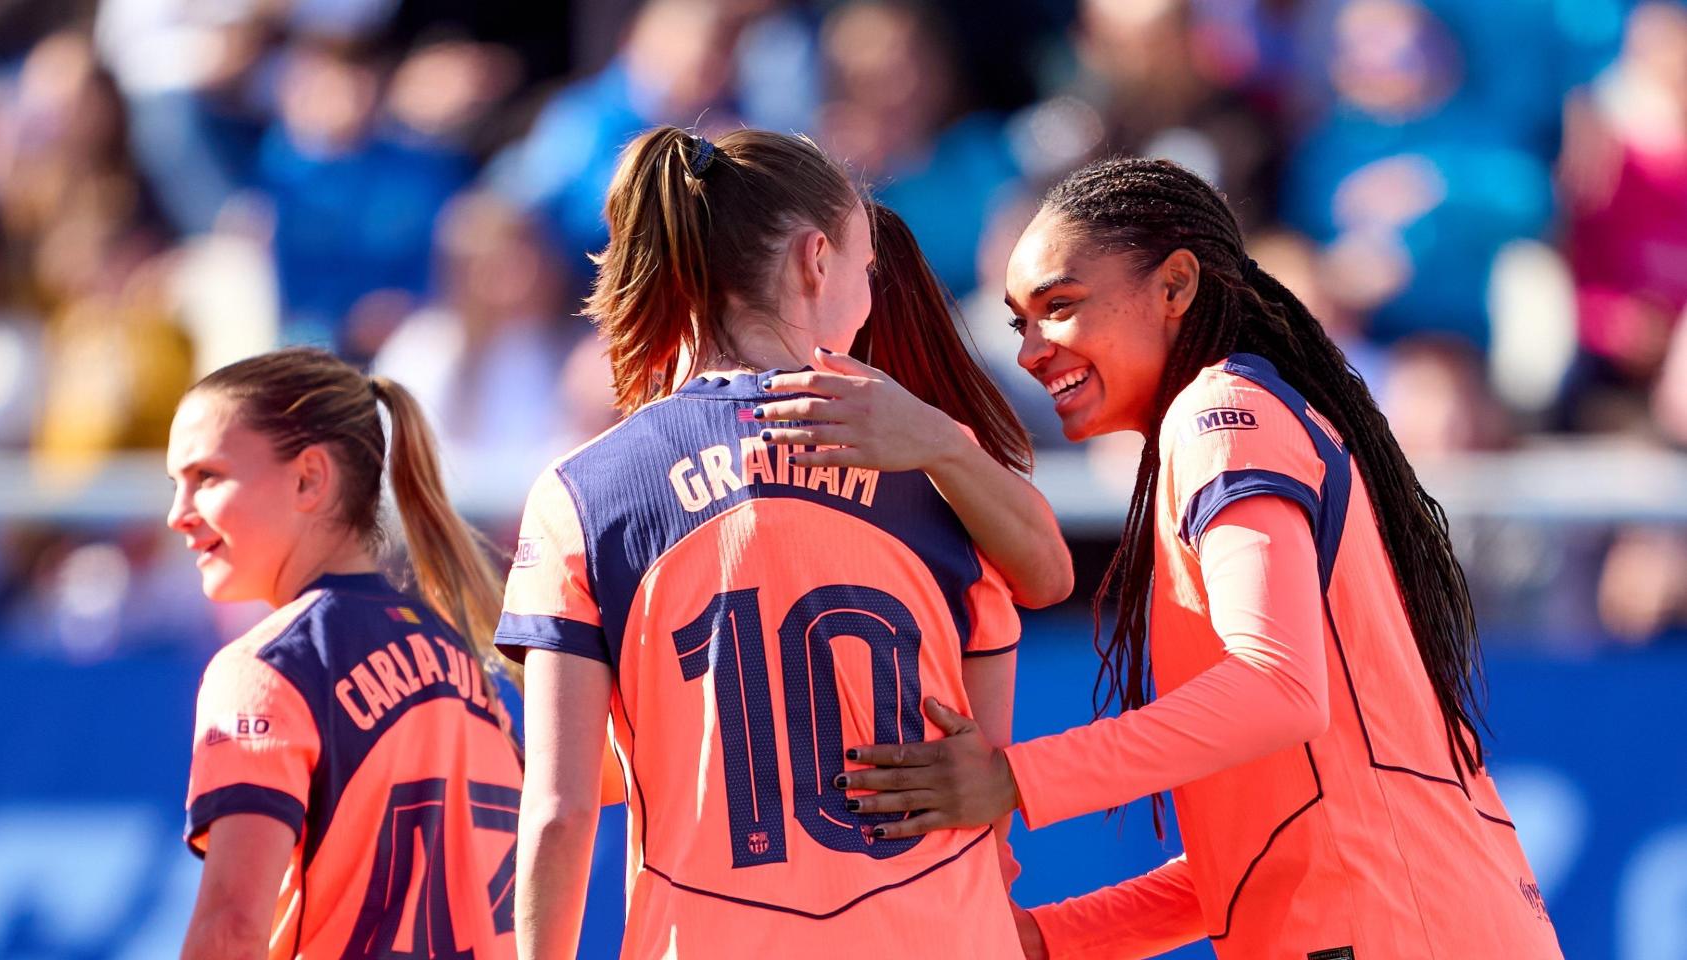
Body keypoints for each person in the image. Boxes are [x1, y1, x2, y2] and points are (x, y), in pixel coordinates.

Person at [836, 157, 1565, 959]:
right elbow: (1262, 850)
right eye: (1021, 323)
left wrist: (1014, 778)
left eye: (1062, 307)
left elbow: (1277, 688)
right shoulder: (1250, 408)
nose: (1032, 352)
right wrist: (1049, 940)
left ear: (1176, 286)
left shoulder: (1218, 413)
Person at [499, 126, 1070, 960]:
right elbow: (1030, 617)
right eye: (866, 266)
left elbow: (561, 806)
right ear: (815, 260)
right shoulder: (930, 468)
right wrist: (948, 444)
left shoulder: (584, 492)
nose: (873, 289)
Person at [168, 347, 523, 959]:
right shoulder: (466, 664)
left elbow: (231, 927)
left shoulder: (268, 668)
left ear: (309, 477)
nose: (177, 515)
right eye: (175, 485)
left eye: (207, 478)